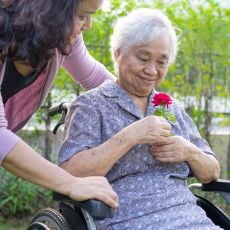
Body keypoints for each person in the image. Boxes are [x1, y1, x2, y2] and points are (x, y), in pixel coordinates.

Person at [59, 8, 221, 229]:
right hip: (129, 221)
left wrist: (189, 151)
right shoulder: (91, 106)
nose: (152, 70)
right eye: (143, 58)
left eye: (162, 62)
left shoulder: (170, 107)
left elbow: (211, 173)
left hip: (192, 220)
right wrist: (130, 136)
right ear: (118, 53)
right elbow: (71, 173)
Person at [0, 0, 119, 208]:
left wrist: (156, 103)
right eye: (82, 16)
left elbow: (95, 77)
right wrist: (71, 183)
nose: (88, 25)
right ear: (51, 11)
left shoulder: (60, 40)